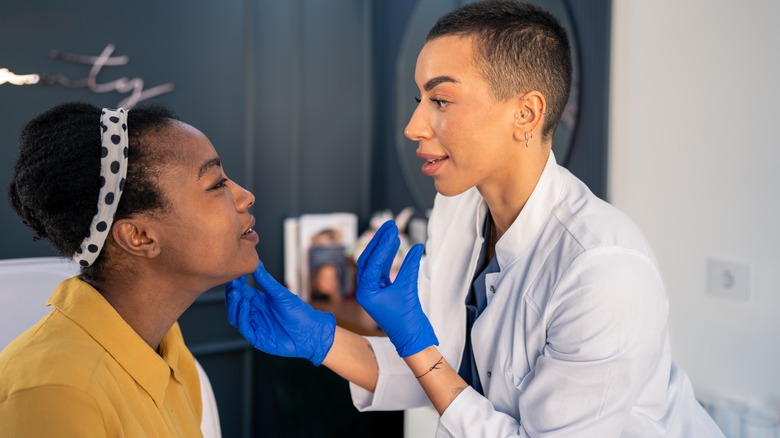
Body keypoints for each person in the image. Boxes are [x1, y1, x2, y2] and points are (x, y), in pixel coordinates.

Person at [225, 1, 724, 436]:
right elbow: (443, 369)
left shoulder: (604, 270)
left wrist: (419, 348)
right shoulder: (461, 207)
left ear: (526, 114)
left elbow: (434, 365)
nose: (414, 125)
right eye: (419, 99)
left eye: (441, 100)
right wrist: (322, 338)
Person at [0, 101, 259, 435]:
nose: (246, 197)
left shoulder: (164, 343)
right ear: (138, 236)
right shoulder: (56, 392)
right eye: (216, 184)